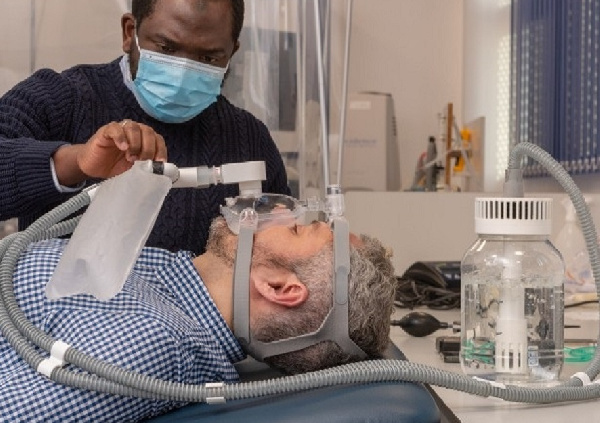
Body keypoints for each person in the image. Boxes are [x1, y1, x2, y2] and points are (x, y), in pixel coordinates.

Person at [0, 217, 396, 422]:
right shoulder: (162, 277)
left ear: (278, 287)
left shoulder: (152, 345)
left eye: (293, 227)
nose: (274, 208)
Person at [0, 0, 290, 254]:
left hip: (190, 317)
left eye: (208, 58)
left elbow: (280, 252)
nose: (182, 73)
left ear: (232, 52)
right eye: (166, 48)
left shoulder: (249, 139)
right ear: (130, 33)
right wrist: (75, 161)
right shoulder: (62, 98)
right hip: (56, 313)